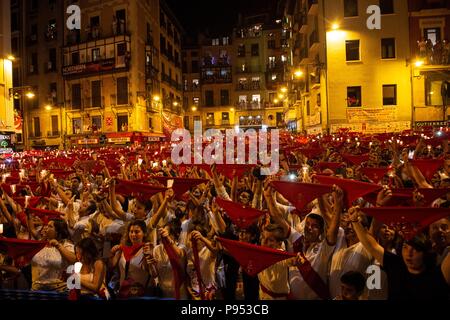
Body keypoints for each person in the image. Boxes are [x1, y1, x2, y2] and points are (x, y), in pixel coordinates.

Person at [348, 206, 450, 300]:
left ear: (425, 252)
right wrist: (354, 221)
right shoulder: (396, 265)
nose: (408, 254)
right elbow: (371, 246)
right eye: (405, 247)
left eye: (415, 249)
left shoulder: (438, 274)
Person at [109, 220, 157, 298]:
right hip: (123, 293)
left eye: (137, 232)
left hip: (142, 294)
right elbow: (111, 266)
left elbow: (154, 274)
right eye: (131, 232)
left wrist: (149, 258)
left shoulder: (148, 249)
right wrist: (110, 252)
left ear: (144, 233)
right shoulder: (122, 249)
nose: (133, 234)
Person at [31, 219, 76, 291]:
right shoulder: (41, 244)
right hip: (37, 288)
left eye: (50, 226)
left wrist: (58, 245)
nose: (46, 228)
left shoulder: (66, 245)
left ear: (58, 231)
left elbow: (74, 260)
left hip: (58, 291)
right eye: (46, 226)